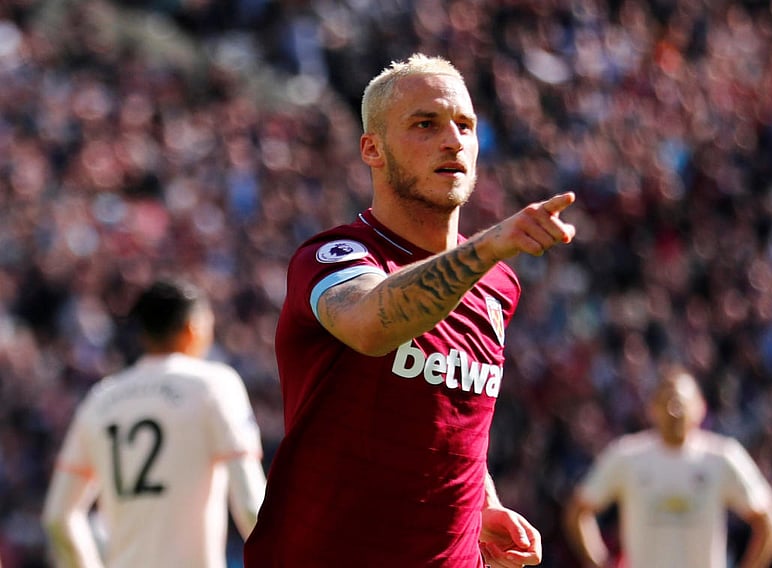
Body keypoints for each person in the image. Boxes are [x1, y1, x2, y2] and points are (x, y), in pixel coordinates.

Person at [244, 53, 576, 567]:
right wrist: (485, 249)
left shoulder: (497, 282)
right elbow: (371, 323)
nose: (453, 141)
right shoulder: (334, 257)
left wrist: (483, 504)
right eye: (426, 124)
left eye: (465, 125)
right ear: (372, 149)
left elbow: (452, 411)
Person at [42, 278, 267, 568]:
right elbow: (252, 507)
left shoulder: (100, 400)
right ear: (193, 328)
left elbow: (58, 518)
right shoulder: (214, 385)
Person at [564, 364, 772, 568]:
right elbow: (578, 511)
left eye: (681, 403)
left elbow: (770, 521)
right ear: (653, 408)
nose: (674, 411)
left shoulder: (722, 457)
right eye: (666, 402)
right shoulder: (627, 456)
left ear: (700, 407)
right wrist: (598, 562)